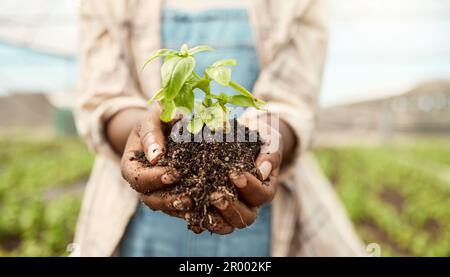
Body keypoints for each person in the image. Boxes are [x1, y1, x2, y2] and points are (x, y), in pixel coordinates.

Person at [74, 0, 365, 257]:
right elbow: (103, 95)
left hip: (265, 223)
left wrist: (268, 139)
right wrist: (140, 131)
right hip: (137, 221)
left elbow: (295, 99)